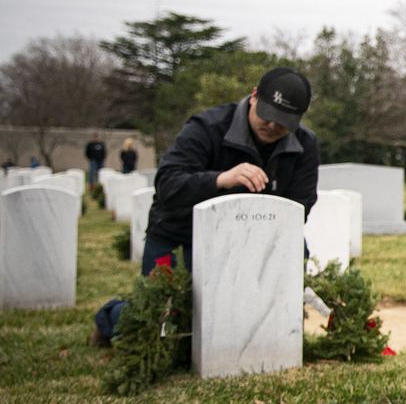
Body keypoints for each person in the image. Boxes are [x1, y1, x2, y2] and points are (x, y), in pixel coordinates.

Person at [91, 68, 320, 345]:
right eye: (267, 115)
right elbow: (168, 184)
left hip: (250, 242)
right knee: (168, 327)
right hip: (180, 236)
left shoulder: (305, 145)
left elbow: (300, 206)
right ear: (254, 96)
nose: (272, 126)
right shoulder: (206, 127)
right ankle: (110, 317)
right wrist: (220, 180)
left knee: (237, 324)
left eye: (282, 122)